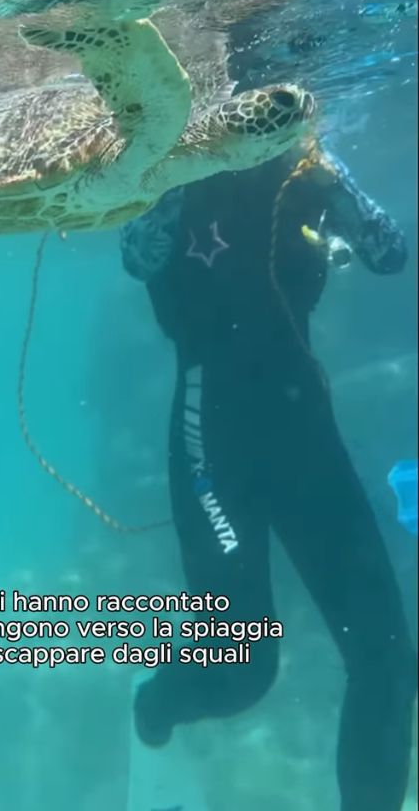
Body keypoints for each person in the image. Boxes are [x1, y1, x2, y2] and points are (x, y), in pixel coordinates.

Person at [119, 136, 416, 810]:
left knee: (390, 663)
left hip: (304, 436)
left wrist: (333, 178)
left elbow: (388, 254)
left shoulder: (302, 171)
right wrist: (173, 178)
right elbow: (137, 258)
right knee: (244, 674)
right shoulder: (173, 166)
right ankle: (156, 703)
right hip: (211, 448)